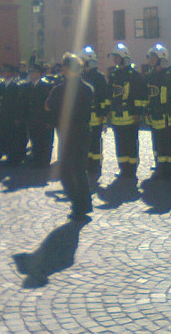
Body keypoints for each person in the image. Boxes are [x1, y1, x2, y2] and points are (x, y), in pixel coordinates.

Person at [45, 53, 94, 221]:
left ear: (66, 69)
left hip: (67, 134)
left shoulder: (59, 89)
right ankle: (85, 204)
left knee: (66, 171)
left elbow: (48, 107)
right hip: (84, 132)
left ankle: (77, 203)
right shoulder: (87, 88)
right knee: (80, 169)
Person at [107, 43, 146, 180]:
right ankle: (123, 168)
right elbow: (110, 94)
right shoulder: (113, 74)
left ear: (124, 57)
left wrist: (137, 113)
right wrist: (109, 110)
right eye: (114, 57)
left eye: (117, 57)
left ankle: (132, 169)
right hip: (117, 116)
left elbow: (139, 95)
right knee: (120, 142)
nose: (115, 60)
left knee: (131, 142)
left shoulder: (134, 75)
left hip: (130, 116)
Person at [145, 44, 171, 180]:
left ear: (161, 58)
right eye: (150, 57)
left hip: (168, 116)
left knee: (169, 144)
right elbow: (149, 95)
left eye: (153, 57)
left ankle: (170, 170)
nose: (151, 60)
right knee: (158, 142)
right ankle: (161, 167)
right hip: (155, 116)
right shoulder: (151, 75)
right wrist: (147, 111)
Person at [81, 46, 109, 183]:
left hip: (96, 116)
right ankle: (88, 165)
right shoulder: (83, 76)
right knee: (86, 142)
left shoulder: (98, 77)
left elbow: (104, 96)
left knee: (95, 143)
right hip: (85, 116)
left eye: (83, 62)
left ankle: (95, 167)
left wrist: (103, 114)